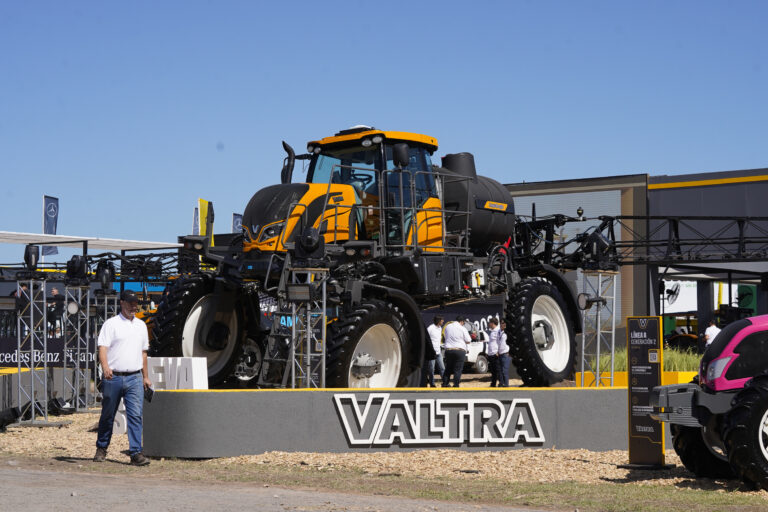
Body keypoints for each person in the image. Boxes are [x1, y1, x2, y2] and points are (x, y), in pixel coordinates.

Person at [93, 290, 152, 466]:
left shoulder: (141, 325)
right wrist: (105, 367)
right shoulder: (111, 324)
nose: (134, 306)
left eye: (136, 303)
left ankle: (136, 453)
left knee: (135, 415)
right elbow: (102, 348)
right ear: (122, 303)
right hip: (114, 376)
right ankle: (101, 448)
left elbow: (143, 353)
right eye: (131, 303)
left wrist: (146, 377)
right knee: (108, 415)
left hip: (134, 377)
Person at [442, 316, 472, 388]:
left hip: (449, 350)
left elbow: (445, 336)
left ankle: (445, 384)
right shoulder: (462, 328)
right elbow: (468, 340)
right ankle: (456, 385)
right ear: (461, 321)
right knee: (458, 369)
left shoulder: (448, 326)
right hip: (459, 350)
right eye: (463, 323)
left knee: (448, 369)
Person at [421, 315, 444, 387]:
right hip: (432, 352)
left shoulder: (440, 328)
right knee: (431, 370)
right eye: (442, 320)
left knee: (442, 368)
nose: (443, 321)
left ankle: (445, 383)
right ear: (439, 320)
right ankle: (432, 384)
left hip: (438, 351)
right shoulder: (430, 328)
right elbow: (426, 338)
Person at [497, 319, 512, 387]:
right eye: (501, 323)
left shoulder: (508, 333)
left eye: (503, 323)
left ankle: (506, 385)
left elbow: (511, 343)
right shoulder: (499, 332)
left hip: (506, 354)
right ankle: (501, 383)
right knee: (500, 371)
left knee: (504, 371)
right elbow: (498, 343)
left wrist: (510, 352)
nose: (502, 324)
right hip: (500, 354)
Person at [487, 318, 501, 387]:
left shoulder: (498, 331)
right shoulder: (493, 331)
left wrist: (498, 352)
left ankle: (501, 383)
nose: (489, 324)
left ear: (492, 323)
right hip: (491, 353)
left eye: (489, 323)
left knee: (498, 370)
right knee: (493, 371)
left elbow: (500, 342)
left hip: (495, 353)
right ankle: (493, 384)